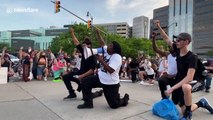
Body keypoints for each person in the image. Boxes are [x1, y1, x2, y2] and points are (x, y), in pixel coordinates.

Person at [155, 20, 213, 120]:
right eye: (176, 40)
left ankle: (187, 116)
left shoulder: (192, 57)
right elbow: (166, 38)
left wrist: (172, 88)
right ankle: (201, 103)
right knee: (182, 108)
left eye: (179, 40)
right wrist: (158, 26)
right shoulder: (177, 50)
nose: (176, 41)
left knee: (186, 87)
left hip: (196, 80)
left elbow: (189, 77)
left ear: (186, 42)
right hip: (181, 80)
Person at [77, 30, 129, 109]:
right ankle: (88, 103)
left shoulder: (117, 57)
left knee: (114, 105)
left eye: (110, 46)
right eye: (109, 45)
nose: (108, 46)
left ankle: (124, 99)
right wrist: (98, 34)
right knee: (85, 82)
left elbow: (111, 70)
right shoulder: (106, 50)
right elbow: (102, 43)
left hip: (110, 83)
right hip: (100, 78)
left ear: (114, 50)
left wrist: (101, 61)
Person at [62, 28, 102, 100]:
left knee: (87, 97)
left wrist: (81, 76)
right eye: (83, 45)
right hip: (80, 73)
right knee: (65, 77)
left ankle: (99, 93)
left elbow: (92, 70)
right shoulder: (84, 51)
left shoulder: (93, 55)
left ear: (89, 45)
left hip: (87, 76)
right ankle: (72, 93)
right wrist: (72, 33)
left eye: (85, 45)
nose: (83, 47)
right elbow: (77, 43)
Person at [151, 32, 177, 99]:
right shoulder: (168, 54)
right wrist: (153, 38)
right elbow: (155, 49)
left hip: (177, 78)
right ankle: (164, 97)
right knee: (161, 80)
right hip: (169, 77)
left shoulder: (180, 55)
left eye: (171, 47)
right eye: (169, 47)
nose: (169, 48)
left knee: (176, 100)